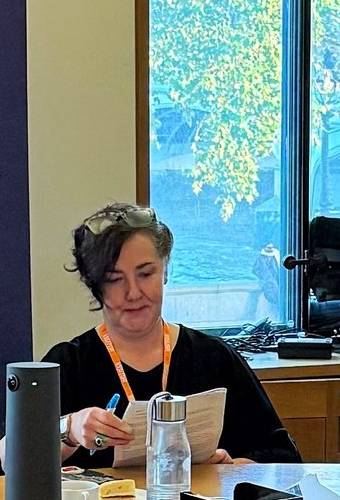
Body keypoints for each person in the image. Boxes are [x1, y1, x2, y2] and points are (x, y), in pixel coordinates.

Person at [40, 201, 299, 470]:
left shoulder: (214, 358)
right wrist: (68, 429)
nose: (134, 293)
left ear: (165, 269)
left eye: (146, 273)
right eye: (115, 279)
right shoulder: (68, 364)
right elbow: (9, 458)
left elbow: (284, 459)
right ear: (95, 285)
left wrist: (230, 470)